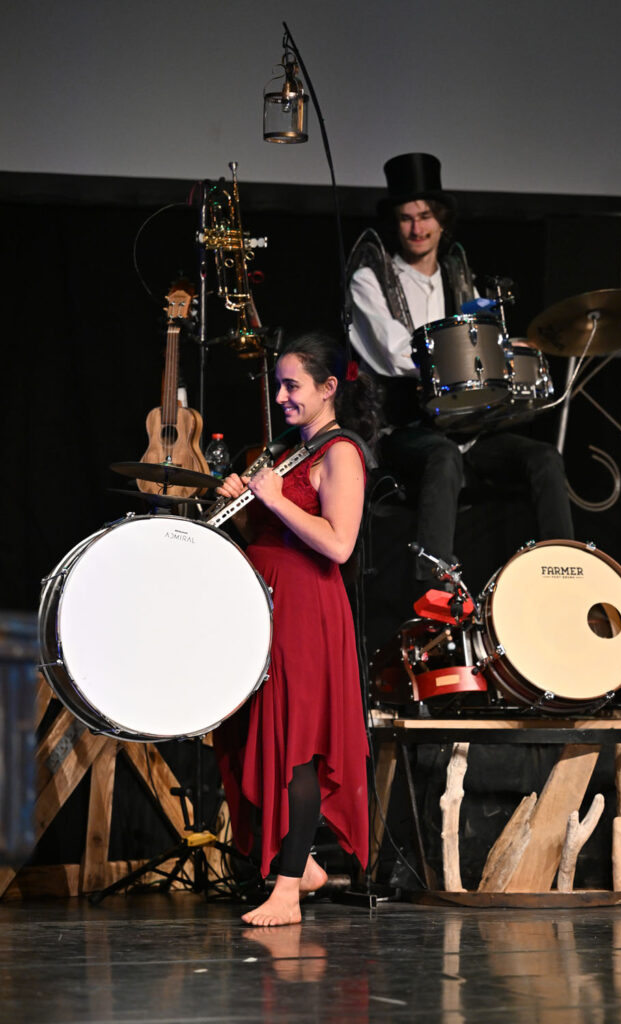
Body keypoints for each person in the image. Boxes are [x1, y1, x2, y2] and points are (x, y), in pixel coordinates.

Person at [212, 333, 378, 927]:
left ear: (329, 389)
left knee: (298, 743)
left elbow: (337, 543)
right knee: (254, 731)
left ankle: (286, 892)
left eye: (292, 386)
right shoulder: (281, 453)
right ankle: (299, 864)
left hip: (306, 608)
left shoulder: (341, 454)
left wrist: (277, 502)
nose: (281, 396)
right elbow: (263, 538)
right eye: (277, 385)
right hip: (261, 603)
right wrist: (243, 500)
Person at [348, 152, 574, 584]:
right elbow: (395, 353)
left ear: (441, 220)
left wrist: (504, 350)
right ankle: (435, 586)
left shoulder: (458, 275)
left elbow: (480, 342)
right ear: (395, 224)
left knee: (544, 458)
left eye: (425, 216)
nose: (417, 228)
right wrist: (469, 356)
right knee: (443, 455)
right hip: (404, 433)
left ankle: (563, 570)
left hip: (467, 430)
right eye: (406, 218)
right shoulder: (369, 279)